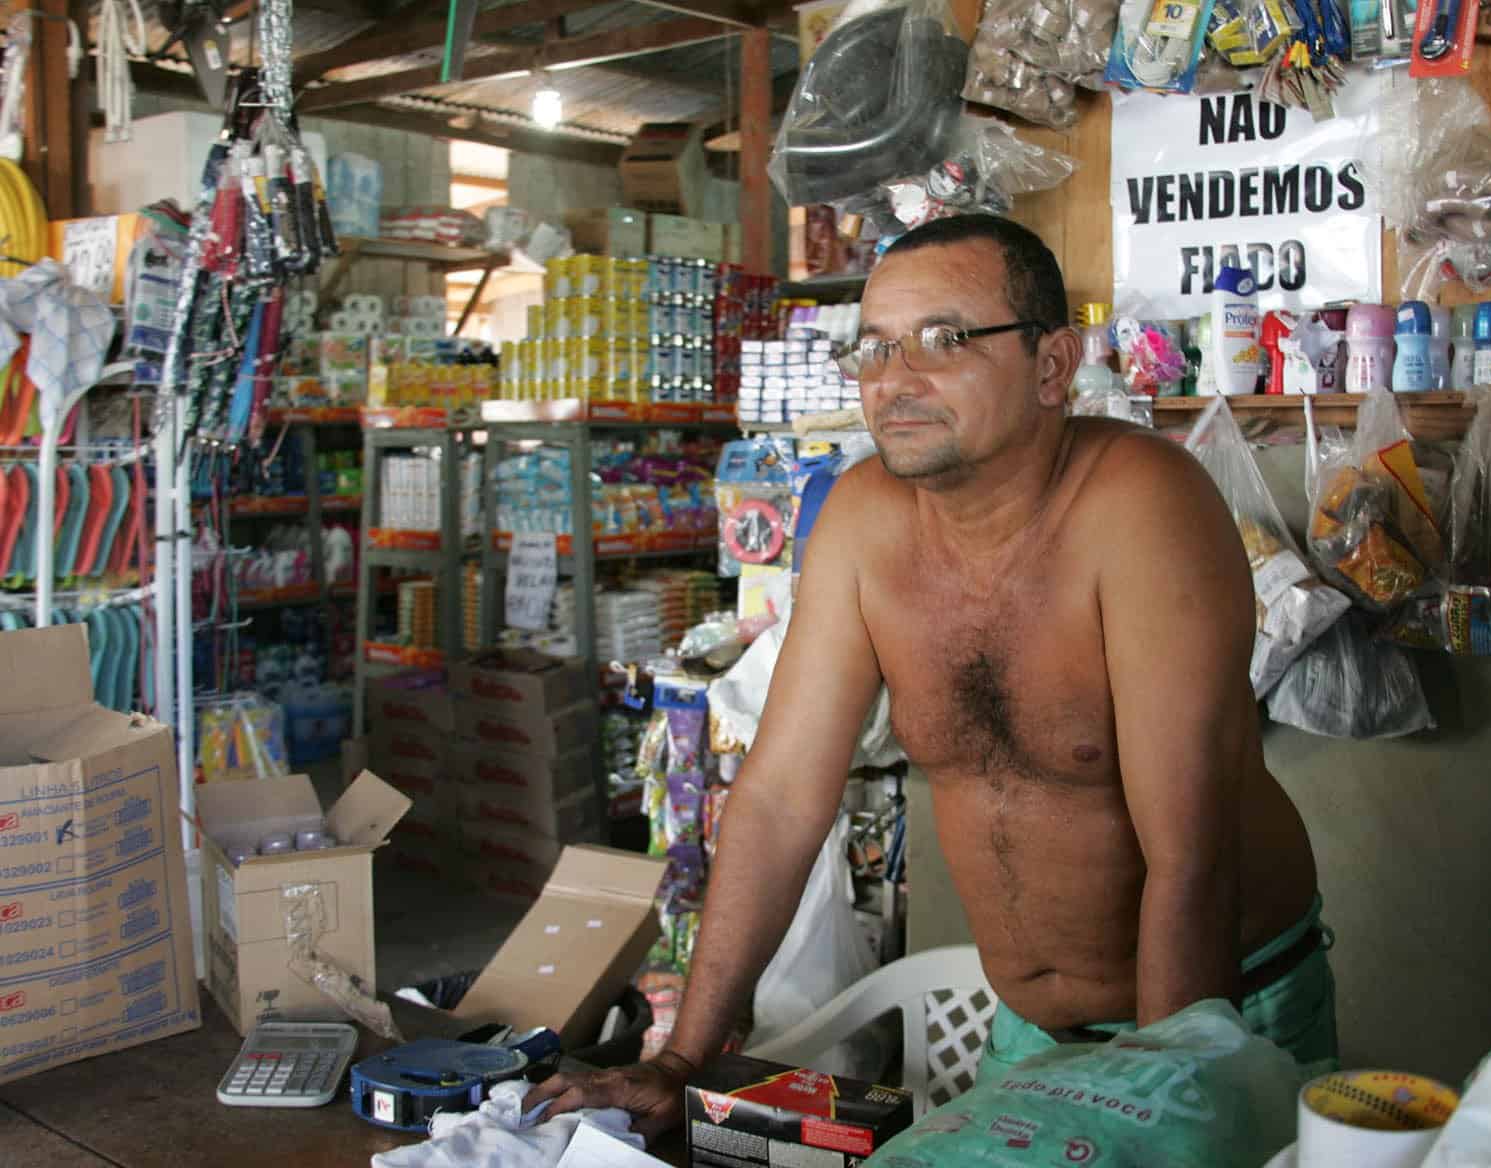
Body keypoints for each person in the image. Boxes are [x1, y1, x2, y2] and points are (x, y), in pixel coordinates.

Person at [524, 214, 1333, 1137]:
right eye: (873, 348)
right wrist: (681, 1059)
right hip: (1028, 1031)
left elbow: (1192, 856)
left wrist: (1142, 1113)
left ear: (1053, 365)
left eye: (944, 340)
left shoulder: (1141, 505)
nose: (895, 382)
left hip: (1216, 1021)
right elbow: (783, 795)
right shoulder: (864, 523)